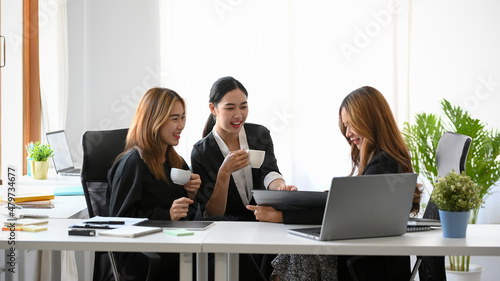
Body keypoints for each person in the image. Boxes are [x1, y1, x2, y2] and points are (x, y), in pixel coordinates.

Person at [269, 86, 422, 281]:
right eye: (345, 126)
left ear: (370, 121)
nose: (348, 133)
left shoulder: (384, 164)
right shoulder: (384, 159)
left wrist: (284, 215)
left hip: (369, 265)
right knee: (291, 253)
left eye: (351, 125)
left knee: (297, 252)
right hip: (365, 256)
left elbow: (349, 215)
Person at [191, 76, 297, 280]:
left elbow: (269, 172)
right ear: (213, 109)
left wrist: (280, 187)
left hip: (261, 220)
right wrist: (224, 173)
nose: (238, 115)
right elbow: (212, 212)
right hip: (228, 228)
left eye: (243, 106)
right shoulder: (202, 152)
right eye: (230, 108)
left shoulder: (259, 134)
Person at [107, 87, 201, 280]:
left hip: (173, 242)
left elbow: (185, 216)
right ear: (153, 120)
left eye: (183, 117)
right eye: (174, 119)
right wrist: (167, 215)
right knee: (217, 255)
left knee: (227, 237)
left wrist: (190, 197)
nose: (181, 125)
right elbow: (120, 221)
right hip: (145, 253)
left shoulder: (176, 162)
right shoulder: (132, 164)